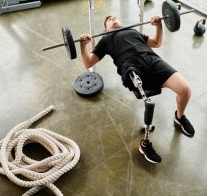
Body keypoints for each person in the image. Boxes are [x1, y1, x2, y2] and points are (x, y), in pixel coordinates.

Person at [79, 15, 194, 163]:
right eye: (109, 19)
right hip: (131, 66)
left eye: (114, 17)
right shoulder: (106, 39)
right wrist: (83, 46)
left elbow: (156, 43)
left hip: (152, 60)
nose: (113, 18)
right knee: (148, 102)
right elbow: (88, 62)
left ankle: (179, 117)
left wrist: (159, 26)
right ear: (105, 28)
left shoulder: (132, 31)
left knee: (185, 89)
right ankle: (145, 145)